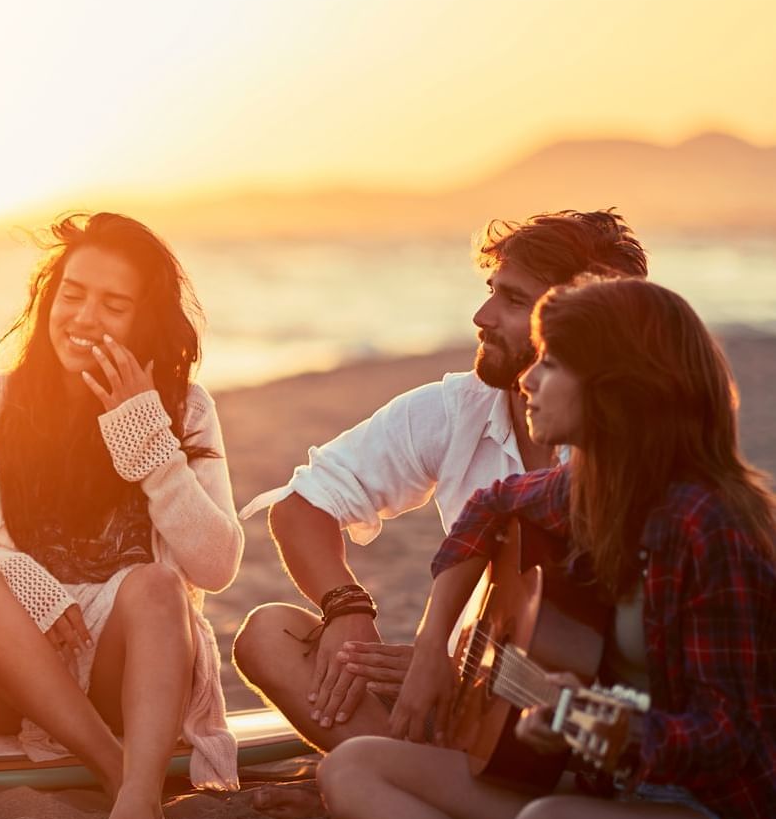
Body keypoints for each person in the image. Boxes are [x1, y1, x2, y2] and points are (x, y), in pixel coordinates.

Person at [319, 277, 776, 819]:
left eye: (551, 363)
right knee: (353, 767)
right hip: (608, 794)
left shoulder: (712, 525)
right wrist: (431, 647)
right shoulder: (589, 489)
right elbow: (489, 507)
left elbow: (731, 733)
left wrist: (612, 730)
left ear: (617, 388)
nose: (526, 381)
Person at [233, 210, 647, 750]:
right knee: (272, 635)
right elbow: (301, 505)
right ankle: (404, 777)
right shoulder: (459, 408)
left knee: (362, 776)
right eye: (491, 290)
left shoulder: (642, 447)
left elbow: (624, 666)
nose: (482, 315)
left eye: (515, 301)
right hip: (458, 686)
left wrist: (456, 673)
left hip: (564, 714)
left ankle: (397, 783)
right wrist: (347, 607)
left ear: (590, 323)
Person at [0, 212, 243, 819]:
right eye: (72, 294)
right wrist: (22, 579)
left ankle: (138, 801)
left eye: (113, 305)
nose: (84, 317)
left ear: (143, 320)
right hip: (0, 677)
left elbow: (217, 565)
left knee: (156, 586)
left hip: (123, 679)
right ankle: (115, 771)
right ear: (48, 300)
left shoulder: (185, 409)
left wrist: (147, 437)